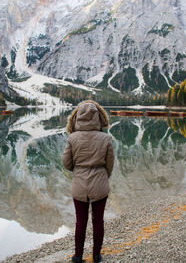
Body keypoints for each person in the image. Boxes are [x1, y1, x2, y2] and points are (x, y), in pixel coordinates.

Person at [62, 100, 115, 263]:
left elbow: (66, 163)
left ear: (77, 118)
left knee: (80, 222)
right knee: (98, 221)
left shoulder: (72, 138)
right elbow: (110, 164)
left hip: (79, 185)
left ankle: (78, 256)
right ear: (98, 117)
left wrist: (78, 171)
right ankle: (97, 256)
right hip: (100, 184)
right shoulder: (105, 138)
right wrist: (102, 175)